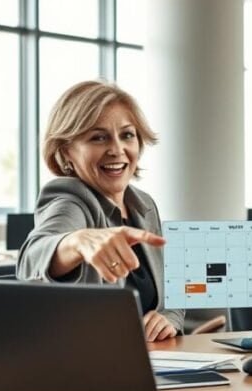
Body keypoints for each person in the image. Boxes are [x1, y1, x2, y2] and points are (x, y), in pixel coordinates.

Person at [17, 80, 182, 341]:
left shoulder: (144, 204)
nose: (117, 149)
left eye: (127, 135)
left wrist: (169, 318)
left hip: (152, 360)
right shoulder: (69, 199)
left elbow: (171, 290)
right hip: (85, 365)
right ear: (66, 151)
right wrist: (77, 241)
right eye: (98, 137)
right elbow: (30, 261)